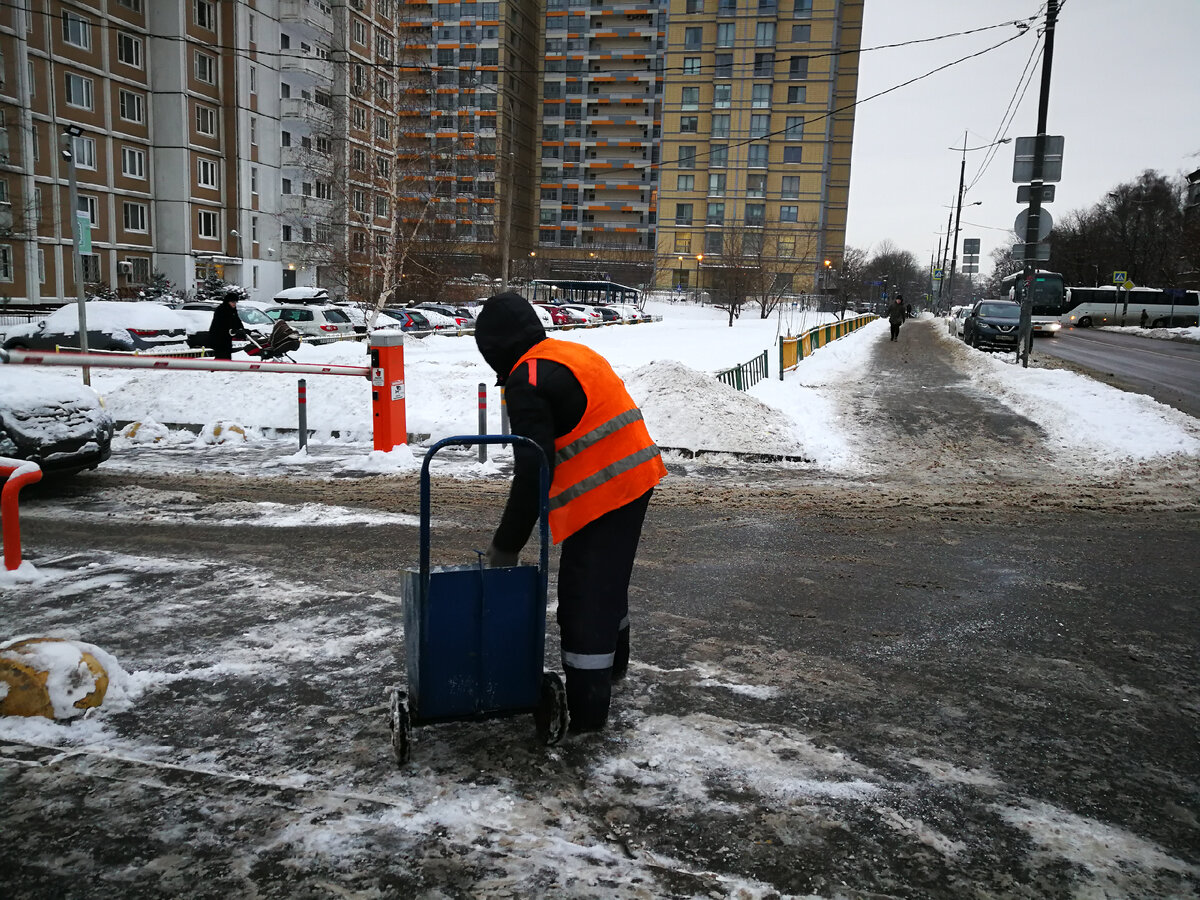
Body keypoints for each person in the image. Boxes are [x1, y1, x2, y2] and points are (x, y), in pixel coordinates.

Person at [474, 292, 667, 734]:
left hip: (607, 490)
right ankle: (615, 668)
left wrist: (506, 546)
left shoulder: (528, 378)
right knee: (605, 578)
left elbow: (532, 468)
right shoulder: (567, 351)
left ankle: (588, 715)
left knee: (585, 599)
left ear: (494, 348)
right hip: (633, 476)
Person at [208, 286, 248, 360]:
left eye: (235, 302)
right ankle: (218, 369)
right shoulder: (221, 309)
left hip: (227, 337)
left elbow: (237, 321)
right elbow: (221, 323)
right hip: (218, 337)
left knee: (227, 353)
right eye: (232, 302)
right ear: (228, 302)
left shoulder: (233, 310)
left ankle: (225, 368)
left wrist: (242, 329)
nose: (234, 304)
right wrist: (232, 330)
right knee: (221, 354)